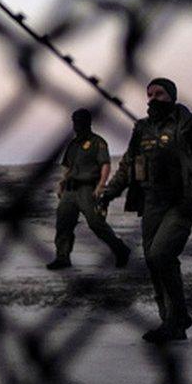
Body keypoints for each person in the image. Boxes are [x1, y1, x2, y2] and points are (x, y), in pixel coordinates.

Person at [99, 78, 192, 344]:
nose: (152, 99)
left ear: (172, 96)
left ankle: (176, 317)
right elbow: (126, 166)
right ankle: (172, 322)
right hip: (151, 202)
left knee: (161, 254)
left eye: (159, 93)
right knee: (153, 260)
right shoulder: (142, 129)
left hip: (182, 202)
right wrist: (107, 195)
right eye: (149, 94)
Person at [46, 108, 131, 270]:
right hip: (70, 191)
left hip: (88, 189)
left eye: (79, 120)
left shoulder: (97, 142)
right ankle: (62, 257)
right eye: (74, 121)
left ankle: (121, 250)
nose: (76, 124)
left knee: (96, 223)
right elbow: (68, 168)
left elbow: (105, 164)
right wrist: (61, 184)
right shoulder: (72, 145)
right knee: (63, 223)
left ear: (88, 122)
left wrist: (101, 185)